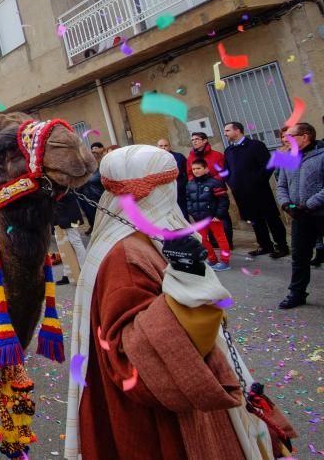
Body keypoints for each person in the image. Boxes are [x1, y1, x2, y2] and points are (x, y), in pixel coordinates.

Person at [64, 145, 295, 460]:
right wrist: (189, 282)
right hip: (164, 423)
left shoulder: (143, 239)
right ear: (158, 189)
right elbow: (137, 364)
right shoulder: (127, 256)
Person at [222, 122, 289, 258]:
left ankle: (282, 246)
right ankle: (265, 245)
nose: (225, 133)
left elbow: (268, 166)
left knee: (271, 219)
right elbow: (227, 170)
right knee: (254, 220)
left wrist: (255, 181)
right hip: (241, 193)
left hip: (260, 191)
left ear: (238, 130)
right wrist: (232, 183)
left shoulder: (255, 146)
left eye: (227, 130)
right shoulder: (229, 151)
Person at [276, 122, 324, 309]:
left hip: (319, 213)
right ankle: (297, 293)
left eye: (291, 136)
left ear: (305, 137)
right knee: (299, 256)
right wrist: (286, 203)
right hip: (299, 216)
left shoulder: (321, 156)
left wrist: (309, 205)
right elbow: (281, 185)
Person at [186, 131, 232, 247]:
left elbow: (222, 172)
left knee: (221, 217)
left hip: (215, 191)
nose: (194, 142)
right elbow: (190, 173)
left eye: (197, 139)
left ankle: (227, 243)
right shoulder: (191, 157)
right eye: (192, 140)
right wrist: (196, 183)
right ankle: (213, 243)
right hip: (198, 192)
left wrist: (210, 182)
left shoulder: (216, 155)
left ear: (205, 140)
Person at [186, 159, 232, 271]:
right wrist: (192, 212)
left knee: (221, 239)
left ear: (206, 169)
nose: (196, 171)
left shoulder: (215, 183)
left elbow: (223, 200)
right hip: (199, 218)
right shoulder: (190, 184)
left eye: (198, 168)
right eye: (194, 169)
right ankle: (212, 259)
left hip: (214, 217)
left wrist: (219, 215)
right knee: (202, 239)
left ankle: (225, 261)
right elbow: (188, 200)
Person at [52, 192, 87, 284]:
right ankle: (68, 273)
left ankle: (85, 271)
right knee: (64, 245)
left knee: (75, 241)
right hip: (61, 212)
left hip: (68, 213)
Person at [157, 138, 189, 220]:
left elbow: (188, 172)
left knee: (183, 215)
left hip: (179, 192)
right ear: (157, 147)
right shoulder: (154, 160)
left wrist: (183, 184)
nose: (163, 148)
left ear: (170, 147)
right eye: (161, 146)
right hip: (164, 194)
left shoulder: (179, 157)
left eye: (165, 146)